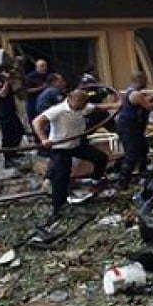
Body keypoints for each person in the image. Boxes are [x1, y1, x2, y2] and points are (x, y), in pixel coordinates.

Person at [32, 89, 119, 225]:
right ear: (69, 98)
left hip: (77, 144)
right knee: (61, 176)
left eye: (84, 104)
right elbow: (37, 122)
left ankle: (96, 181)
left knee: (100, 158)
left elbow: (97, 107)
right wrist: (43, 139)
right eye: (79, 103)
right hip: (60, 148)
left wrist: (115, 105)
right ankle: (58, 207)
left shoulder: (84, 107)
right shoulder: (58, 110)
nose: (81, 107)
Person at [115, 71, 153, 188]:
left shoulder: (131, 91)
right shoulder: (135, 94)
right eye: (145, 80)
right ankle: (122, 183)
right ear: (140, 81)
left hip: (135, 127)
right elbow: (149, 106)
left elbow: (143, 101)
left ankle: (143, 174)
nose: (147, 82)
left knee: (143, 150)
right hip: (128, 128)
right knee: (131, 155)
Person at [0, 63, 25, 168]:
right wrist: (7, 82)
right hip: (4, 113)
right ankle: (8, 159)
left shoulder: (4, 80)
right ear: (4, 72)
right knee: (8, 136)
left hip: (11, 111)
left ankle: (14, 152)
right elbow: (2, 94)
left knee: (19, 132)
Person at [23, 58, 48, 125]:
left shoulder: (47, 76)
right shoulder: (30, 77)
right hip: (33, 103)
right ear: (37, 67)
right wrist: (41, 88)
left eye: (45, 66)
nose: (45, 68)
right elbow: (27, 90)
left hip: (44, 104)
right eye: (42, 66)